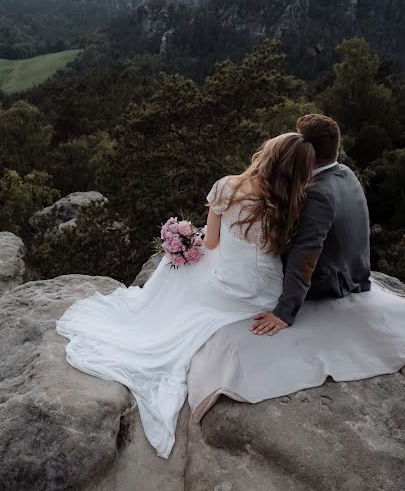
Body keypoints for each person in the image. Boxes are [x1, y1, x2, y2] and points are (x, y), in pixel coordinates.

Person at [56, 118, 405, 460]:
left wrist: (282, 309)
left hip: (275, 287)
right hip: (269, 287)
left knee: (178, 270)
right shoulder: (303, 194)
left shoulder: (242, 188)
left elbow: (252, 250)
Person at [56, 132, 316, 458]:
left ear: (267, 155)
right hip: (265, 295)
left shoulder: (226, 187)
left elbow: (211, 244)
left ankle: (157, 309)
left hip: (232, 289)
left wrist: (186, 240)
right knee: (194, 266)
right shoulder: (294, 200)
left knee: (179, 269)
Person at [250, 114, 371, 336]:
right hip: (355, 271)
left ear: (308, 151)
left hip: (329, 283)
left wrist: (284, 312)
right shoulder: (345, 172)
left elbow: (306, 255)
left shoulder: (317, 194)